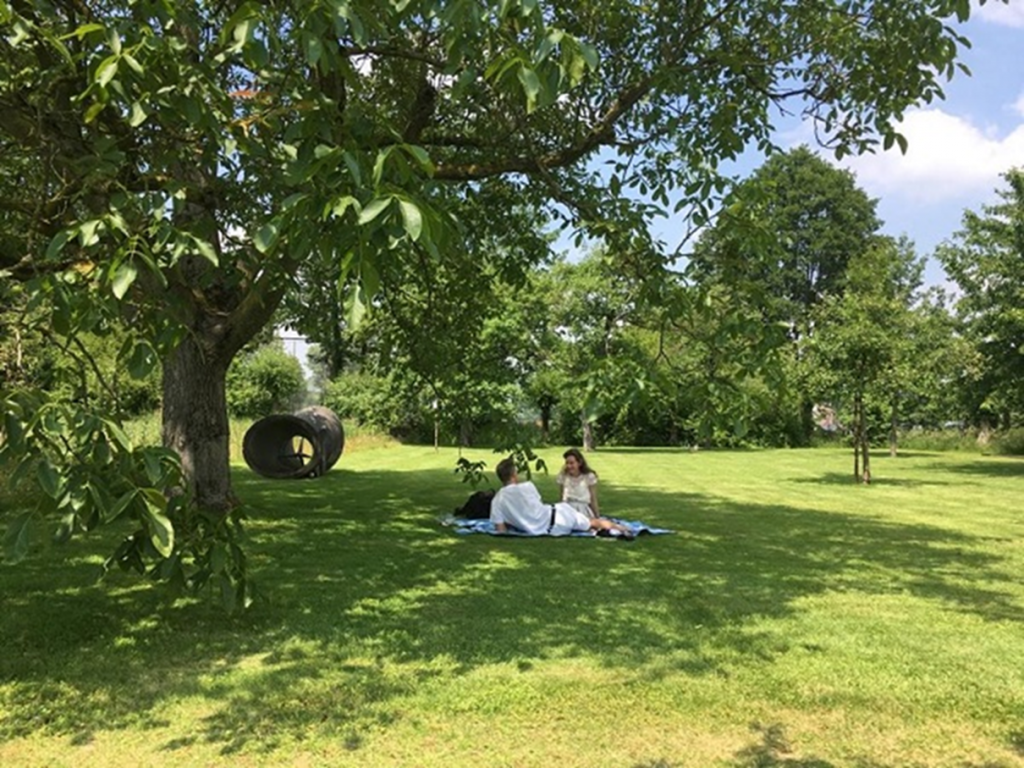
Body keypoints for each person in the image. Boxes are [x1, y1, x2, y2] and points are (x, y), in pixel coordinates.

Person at [489, 457, 633, 538]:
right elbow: (536, 505)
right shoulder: (527, 487)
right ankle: (621, 528)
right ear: (514, 475)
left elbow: (501, 530)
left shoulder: (497, 501)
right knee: (593, 522)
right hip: (559, 515)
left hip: (552, 530)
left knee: (587, 526)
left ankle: (605, 531)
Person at [555, 448, 600, 518]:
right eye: (567, 463)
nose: (569, 466)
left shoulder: (588, 476)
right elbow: (561, 497)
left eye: (572, 463)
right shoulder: (563, 476)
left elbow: (593, 499)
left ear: (579, 463)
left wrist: (597, 517)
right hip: (567, 510)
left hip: (583, 511)